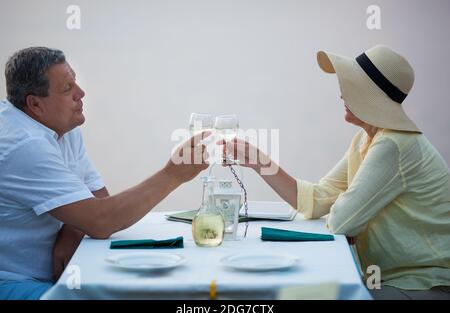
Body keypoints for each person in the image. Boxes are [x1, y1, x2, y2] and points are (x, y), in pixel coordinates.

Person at [222, 45, 450, 299]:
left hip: (421, 283)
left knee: (309, 296)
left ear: (369, 96)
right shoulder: (367, 139)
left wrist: (348, 202)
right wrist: (258, 161)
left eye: (350, 86)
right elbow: (318, 198)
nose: (342, 95)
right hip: (389, 278)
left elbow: (341, 221)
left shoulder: (392, 145)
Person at [0, 47, 210, 299]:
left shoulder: (62, 125)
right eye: (67, 89)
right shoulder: (24, 145)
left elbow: (98, 199)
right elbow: (102, 221)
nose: (81, 93)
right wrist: (173, 174)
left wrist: (74, 227)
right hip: (15, 282)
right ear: (35, 104)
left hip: (58, 274)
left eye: (75, 81)